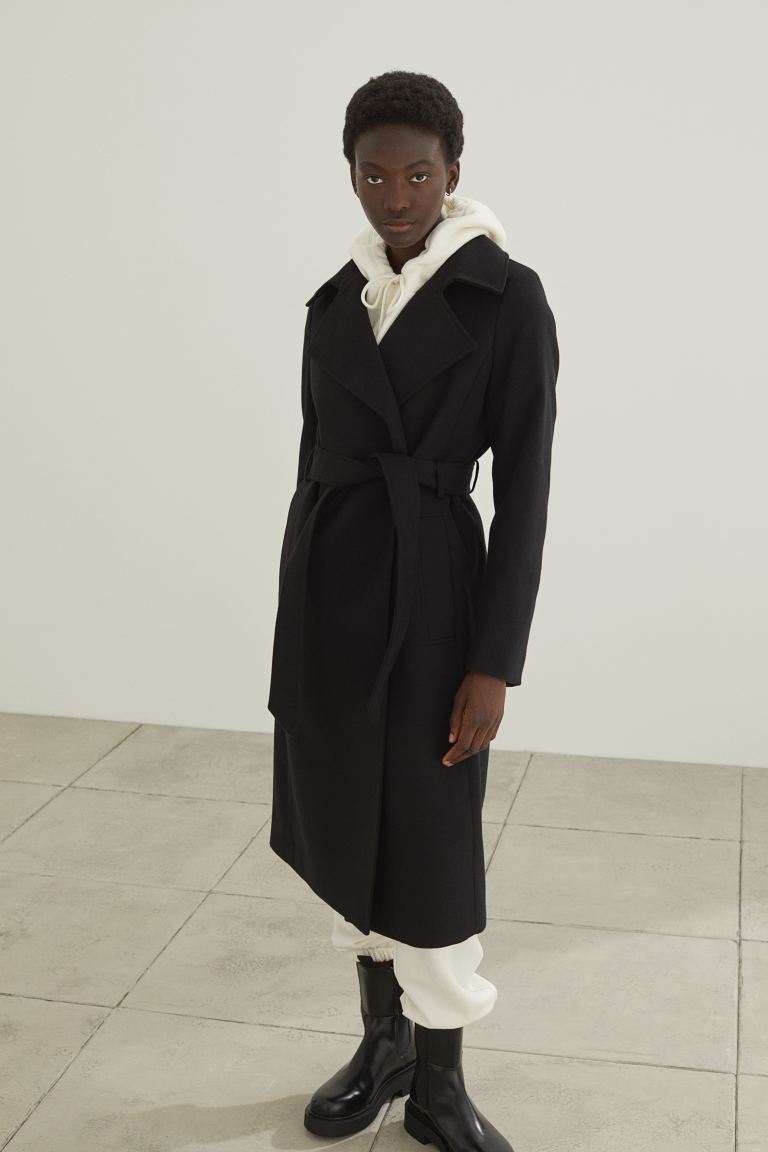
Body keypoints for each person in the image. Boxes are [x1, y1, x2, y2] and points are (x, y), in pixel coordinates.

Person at [267, 69, 559, 1152]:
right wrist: (294, 631)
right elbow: (312, 471)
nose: (396, 195)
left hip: (437, 592)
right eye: (374, 174)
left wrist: (495, 660)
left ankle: (440, 1082)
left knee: (431, 840)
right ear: (350, 174)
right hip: (334, 590)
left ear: (454, 173)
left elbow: (527, 491)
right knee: (349, 817)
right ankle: (381, 1046)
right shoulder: (336, 299)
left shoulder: (507, 296)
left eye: (418, 174)